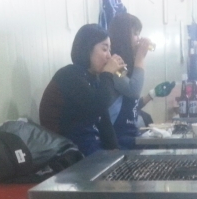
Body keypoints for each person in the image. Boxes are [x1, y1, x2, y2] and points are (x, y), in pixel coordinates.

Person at [39, 24, 125, 156]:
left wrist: (115, 151)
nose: (109, 56)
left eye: (110, 50)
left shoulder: (93, 78)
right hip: (68, 154)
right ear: (87, 48)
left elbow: (103, 119)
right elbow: (97, 106)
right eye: (104, 49)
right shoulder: (69, 75)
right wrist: (107, 74)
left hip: (90, 148)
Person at [107, 13, 175, 147]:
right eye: (135, 34)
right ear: (123, 36)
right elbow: (133, 90)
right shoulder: (113, 65)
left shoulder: (123, 66)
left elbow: (130, 105)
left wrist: (152, 94)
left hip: (129, 135)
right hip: (118, 140)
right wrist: (140, 57)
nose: (139, 39)